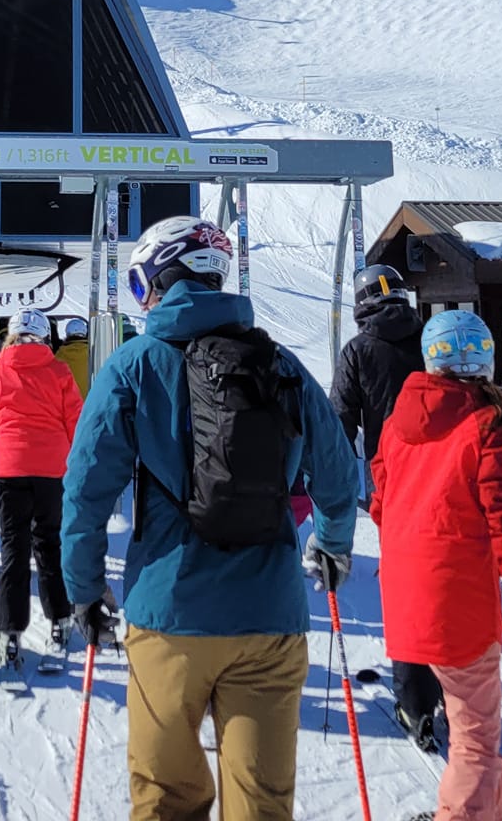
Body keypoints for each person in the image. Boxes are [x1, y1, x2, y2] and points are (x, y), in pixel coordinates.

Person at [62, 216, 359, 821]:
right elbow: (338, 474)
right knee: (261, 803)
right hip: (270, 617)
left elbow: (87, 489)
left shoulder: (133, 364)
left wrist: (85, 590)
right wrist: (331, 544)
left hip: (168, 616)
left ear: (161, 278)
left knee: (167, 799)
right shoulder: (282, 365)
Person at [373, 309, 502, 821]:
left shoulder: (397, 420)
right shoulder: (487, 421)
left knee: (479, 730)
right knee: (474, 734)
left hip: (406, 591)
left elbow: (383, 502)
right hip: (457, 596)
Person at [330, 264, 438, 750]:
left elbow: (341, 420)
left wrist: (329, 480)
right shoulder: (431, 336)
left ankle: (414, 701)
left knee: (406, 586)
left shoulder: (359, 349)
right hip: (446, 471)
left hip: (390, 478)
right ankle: (450, 688)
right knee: (446, 577)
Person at [0, 306, 83, 665]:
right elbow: (75, 421)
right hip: (51, 469)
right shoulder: (59, 370)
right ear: (45, 337)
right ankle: (60, 620)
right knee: (49, 543)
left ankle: (10, 629)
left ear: (12, 336)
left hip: (8, 469)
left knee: (13, 548)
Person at [54, 315, 92, 399]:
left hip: (68, 403)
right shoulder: (92, 354)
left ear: (67, 334)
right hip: (88, 403)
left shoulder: (60, 355)